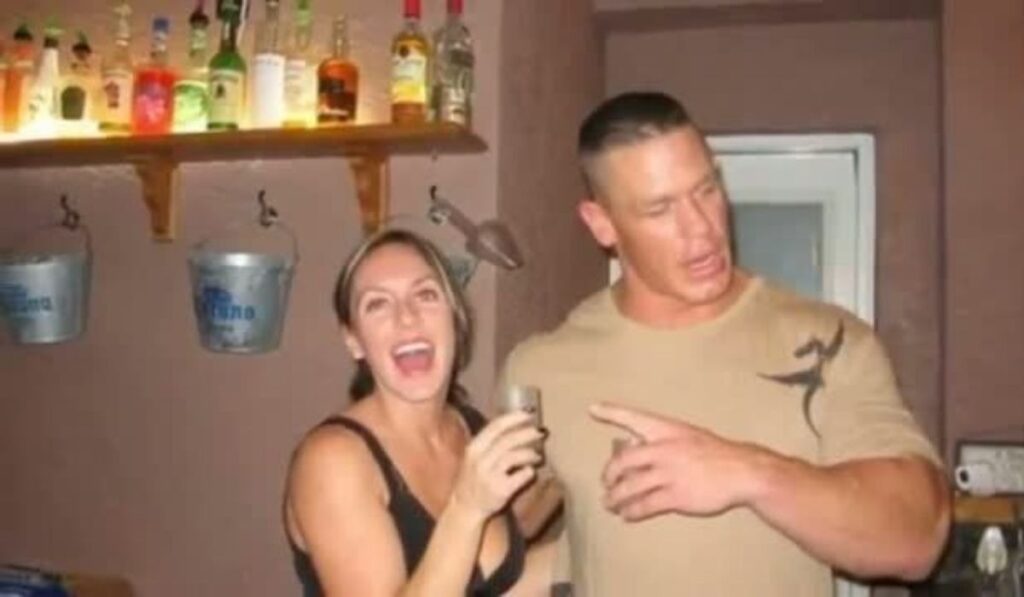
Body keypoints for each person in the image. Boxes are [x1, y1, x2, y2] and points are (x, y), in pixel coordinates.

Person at [499, 91, 951, 596]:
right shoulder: (541, 369)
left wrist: (749, 472)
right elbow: (521, 541)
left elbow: (919, 539)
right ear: (601, 224)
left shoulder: (828, 342)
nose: (702, 228)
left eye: (707, 189)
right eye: (660, 209)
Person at [284, 228, 560, 597]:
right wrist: (466, 508)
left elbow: (498, 582)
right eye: (377, 304)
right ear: (354, 341)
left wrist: (584, 483)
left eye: (425, 295)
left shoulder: (469, 427)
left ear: (455, 319)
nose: (407, 317)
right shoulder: (332, 461)